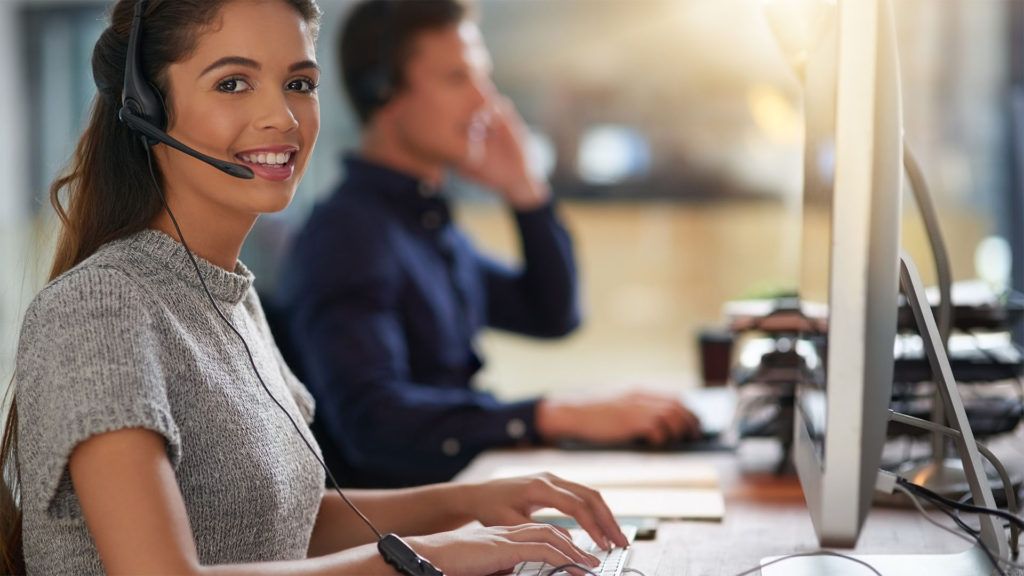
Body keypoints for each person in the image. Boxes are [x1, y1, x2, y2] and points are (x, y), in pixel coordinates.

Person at [0, 1, 629, 574]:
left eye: (299, 84)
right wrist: (424, 559)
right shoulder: (101, 307)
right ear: (147, 107)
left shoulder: (232, 298)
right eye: (233, 83)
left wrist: (475, 501)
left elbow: (281, 524)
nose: (281, 116)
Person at [279, 0, 702, 488]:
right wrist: (550, 414)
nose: (487, 102)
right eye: (459, 78)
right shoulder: (348, 236)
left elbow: (551, 313)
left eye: (484, 78)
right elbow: (373, 424)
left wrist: (526, 193)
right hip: (410, 536)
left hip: (460, 507)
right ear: (383, 91)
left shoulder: (425, 225)